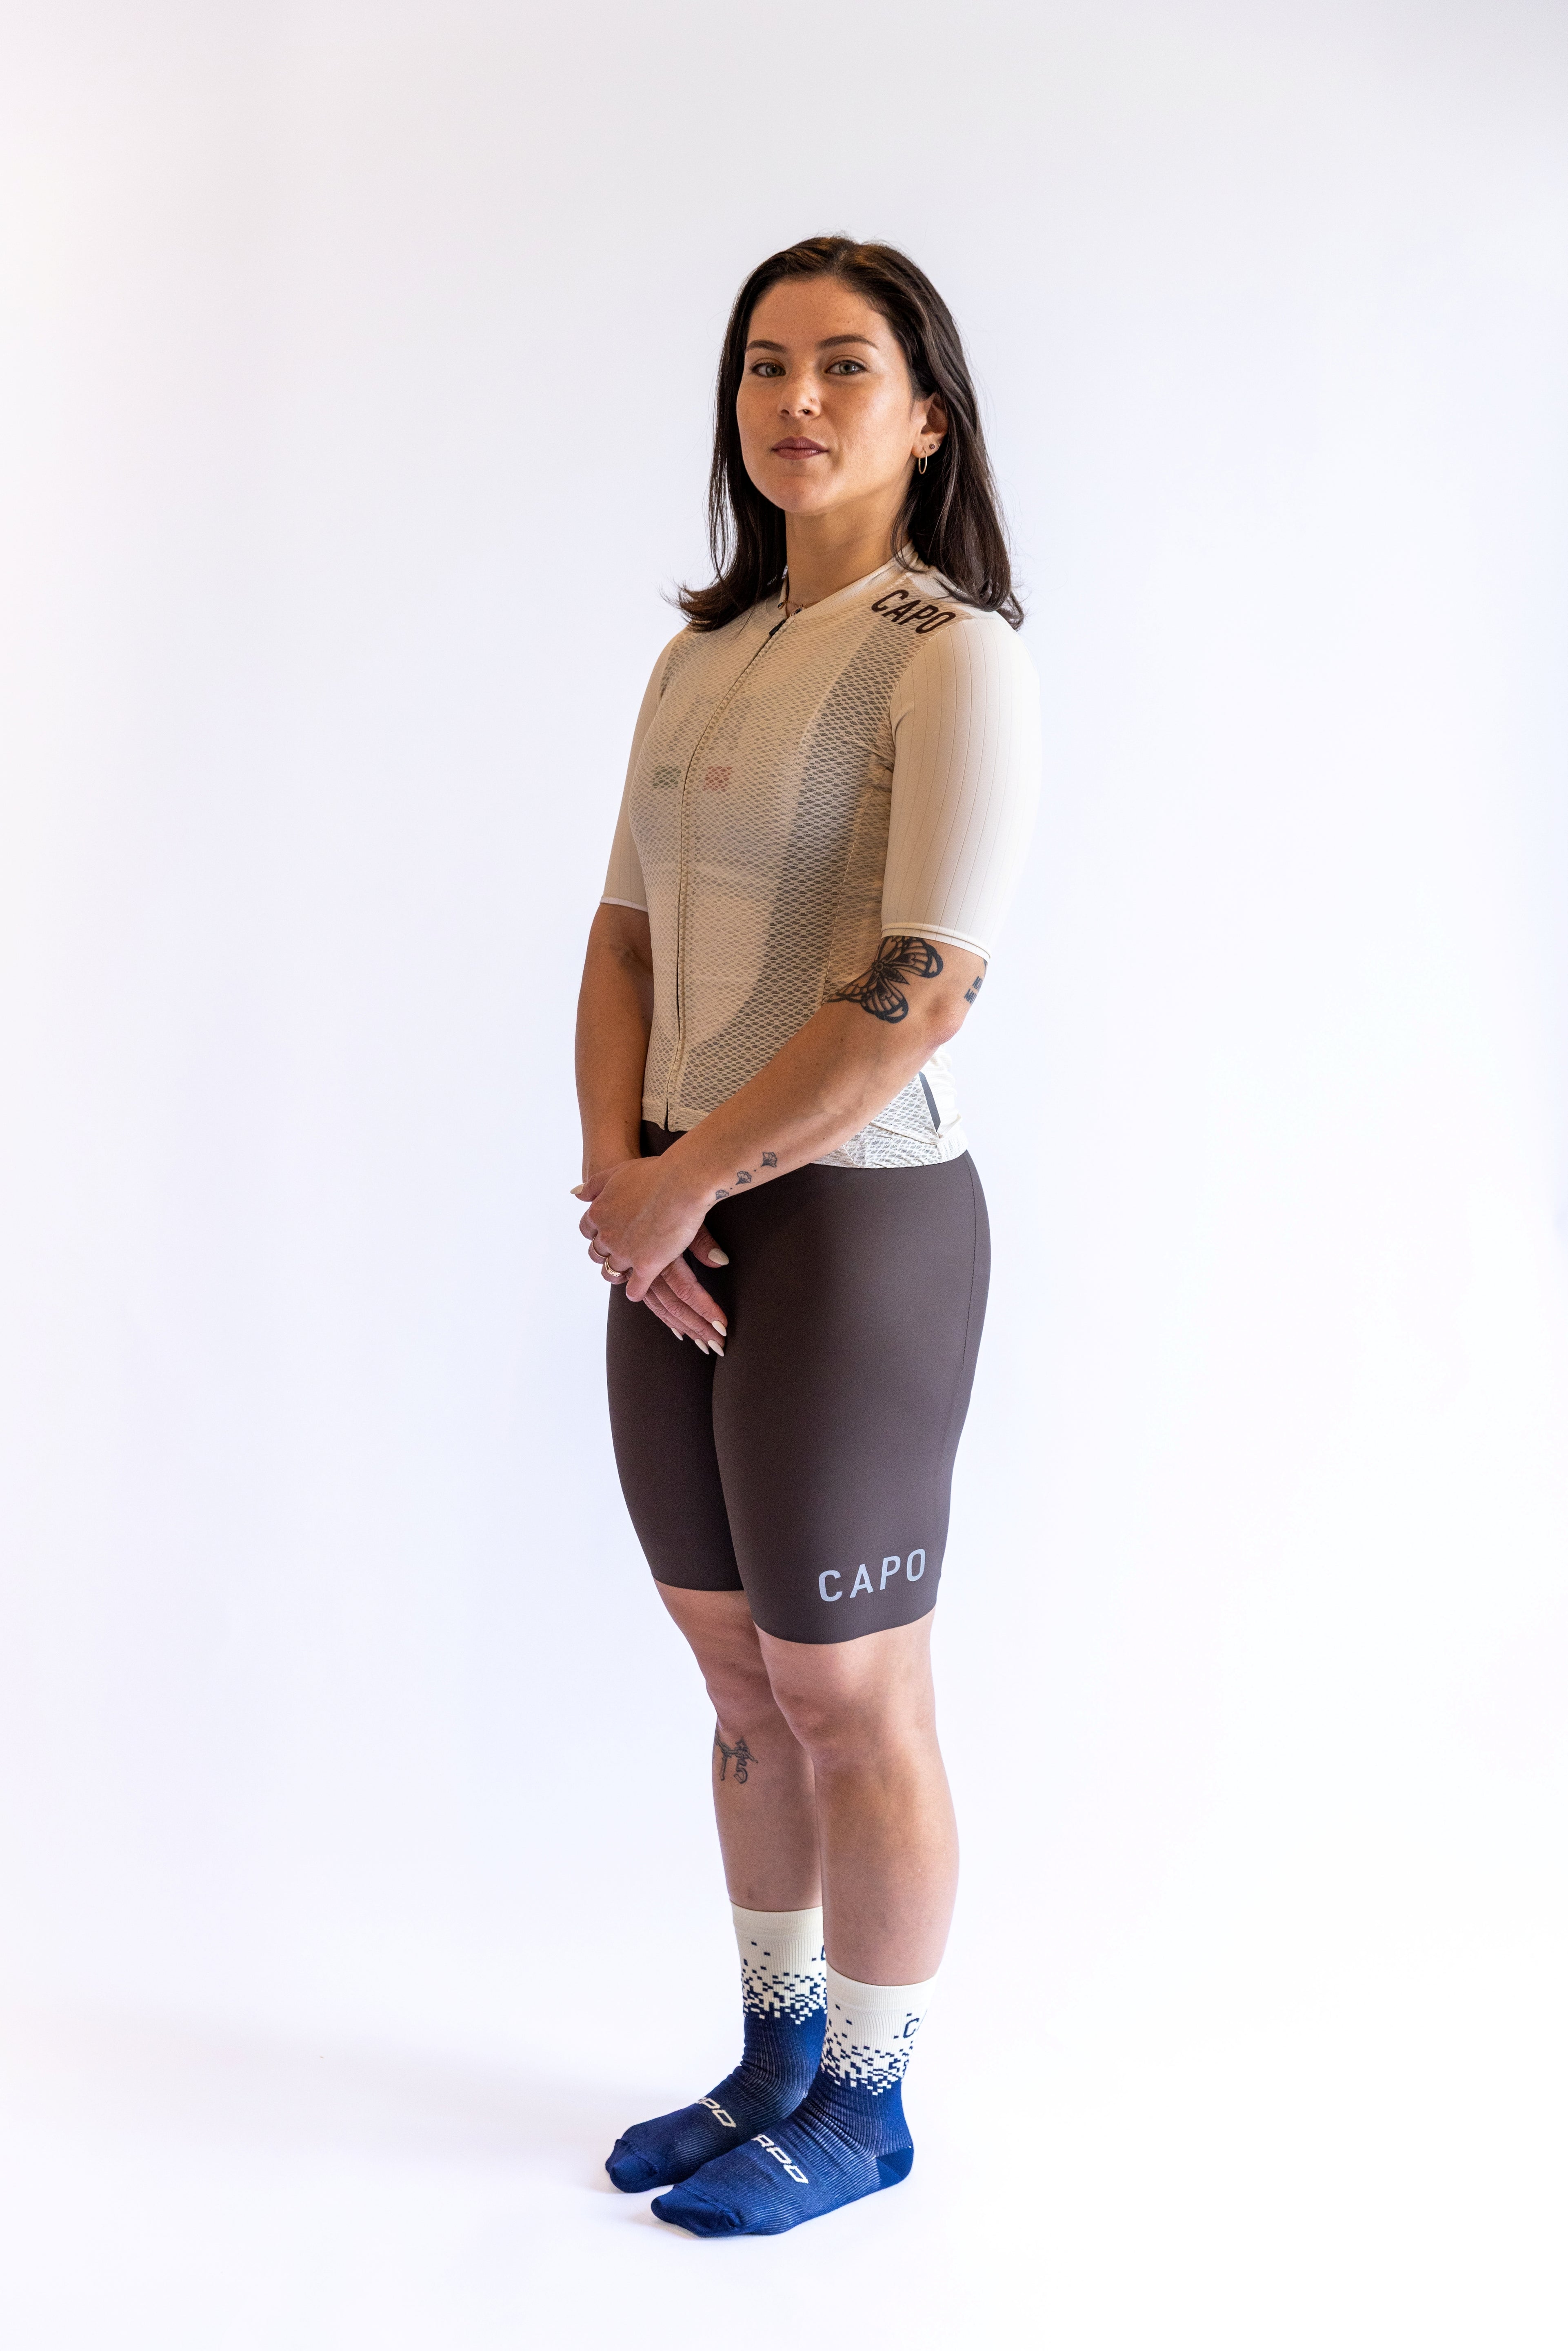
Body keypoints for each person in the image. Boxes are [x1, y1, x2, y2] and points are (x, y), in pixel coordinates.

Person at [571, 235, 1040, 2238]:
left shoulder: (949, 655)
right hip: (668, 1230)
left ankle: (867, 2100)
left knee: (852, 1693)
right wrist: (622, 1182)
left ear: (925, 419)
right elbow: (622, 942)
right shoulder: (701, 657)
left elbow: (918, 995)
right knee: (739, 1686)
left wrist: (683, 1181)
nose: (797, 402)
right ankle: (772, 2053)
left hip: (854, 1229)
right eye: (765, 365)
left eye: (846, 366)